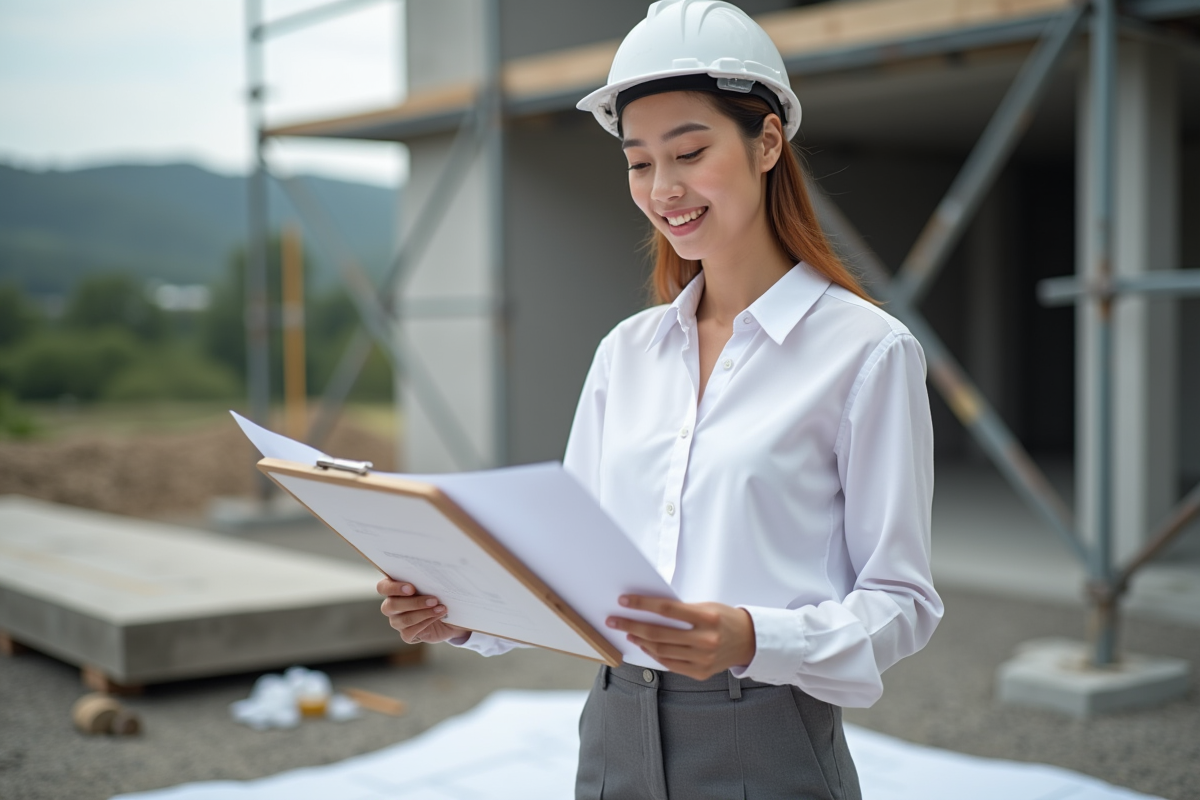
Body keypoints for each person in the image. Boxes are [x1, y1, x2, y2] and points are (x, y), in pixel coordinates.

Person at [377, 1, 942, 797]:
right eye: (640, 162)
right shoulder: (627, 353)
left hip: (767, 737)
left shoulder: (865, 351)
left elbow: (902, 602)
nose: (663, 188)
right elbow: (565, 564)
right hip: (612, 732)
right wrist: (463, 615)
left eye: (689, 151)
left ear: (768, 141)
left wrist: (751, 637)